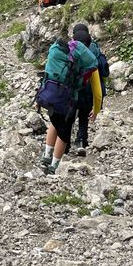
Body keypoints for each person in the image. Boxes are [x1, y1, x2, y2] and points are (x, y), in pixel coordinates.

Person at [39, 35, 102, 174]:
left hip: (52, 95)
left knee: (54, 124)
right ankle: (54, 166)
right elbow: (97, 92)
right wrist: (96, 109)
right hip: (70, 100)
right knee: (64, 132)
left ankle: (46, 155)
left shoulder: (60, 50)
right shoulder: (87, 60)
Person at [72, 23, 109, 156]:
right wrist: (97, 106)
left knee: (69, 116)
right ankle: (81, 140)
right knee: (83, 117)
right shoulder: (95, 50)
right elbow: (104, 72)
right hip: (91, 89)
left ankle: (64, 145)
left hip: (74, 90)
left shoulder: (72, 50)